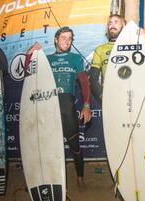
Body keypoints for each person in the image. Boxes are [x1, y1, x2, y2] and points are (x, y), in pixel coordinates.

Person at [25, 26, 91, 189]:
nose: (67, 42)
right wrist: (29, 53)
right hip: (47, 105)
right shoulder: (46, 58)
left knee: (75, 146)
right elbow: (28, 71)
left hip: (66, 105)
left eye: (70, 38)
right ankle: (44, 178)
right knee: (45, 145)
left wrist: (87, 104)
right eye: (63, 38)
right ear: (56, 39)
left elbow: (84, 82)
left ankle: (80, 177)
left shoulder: (75, 58)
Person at [89, 14, 126, 105]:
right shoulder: (100, 49)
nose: (112, 25)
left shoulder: (130, 47)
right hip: (109, 96)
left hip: (128, 95)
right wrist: (101, 95)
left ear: (123, 26)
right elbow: (93, 78)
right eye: (110, 23)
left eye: (116, 22)